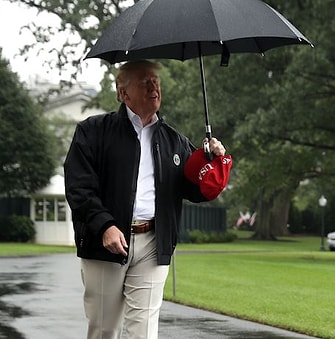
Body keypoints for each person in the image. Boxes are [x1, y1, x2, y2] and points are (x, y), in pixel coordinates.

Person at [64, 59, 230, 339]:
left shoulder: (174, 141)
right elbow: (79, 188)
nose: (154, 87)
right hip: (106, 244)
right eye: (145, 82)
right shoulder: (92, 132)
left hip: (154, 242)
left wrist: (212, 161)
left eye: (156, 81)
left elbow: (195, 190)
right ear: (123, 92)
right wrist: (104, 225)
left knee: (144, 331)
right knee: (104, 329)